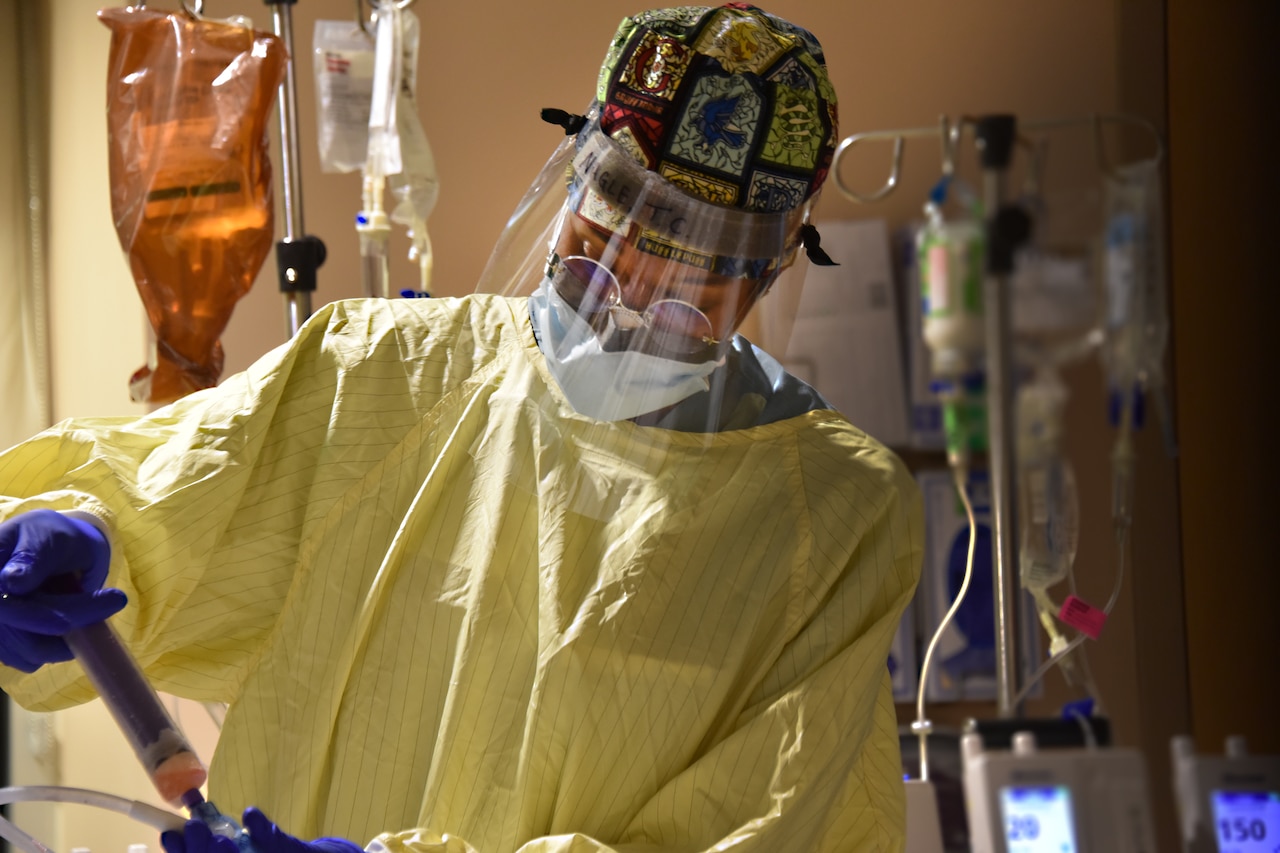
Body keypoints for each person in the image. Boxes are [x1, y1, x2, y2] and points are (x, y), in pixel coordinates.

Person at [0, 5, 922, 852]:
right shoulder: (380, 374)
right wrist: (88, 537)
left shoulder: (831, 517)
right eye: (596, 256)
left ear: (763, 278)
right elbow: (173, 509)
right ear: (565, 197)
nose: (620, 307)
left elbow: (763, 827)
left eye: (683, 291)